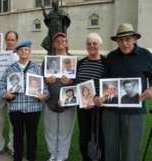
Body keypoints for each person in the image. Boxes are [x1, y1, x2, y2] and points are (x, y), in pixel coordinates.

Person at [94, 23, 152, 161]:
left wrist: (151, 89)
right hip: (111, 111)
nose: (124, 43)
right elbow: (105, 79)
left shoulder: (145, 55)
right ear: (117, 41)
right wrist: (98, 96)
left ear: (134, 39)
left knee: (131, 152)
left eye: (128, 39)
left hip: (134, 112)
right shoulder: (112, 56)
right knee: (110, 150)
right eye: (121, 40)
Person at [0, 40, 49, 161]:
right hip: (16, 108)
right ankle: (18, 158)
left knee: (32, 136)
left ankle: (31, 158)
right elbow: (1, 86)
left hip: (33, 108)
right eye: (21, 50)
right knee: (17, 136)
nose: (23, 51)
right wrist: (5, 94)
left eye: (26, 49)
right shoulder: (11, 68)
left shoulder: (36, 68)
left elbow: (45, 88)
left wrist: (43, 95)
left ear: (30, 52)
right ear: (17, 52)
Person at [42, 32, 76, 161]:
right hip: (50, 101)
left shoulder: (73, 60)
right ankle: (53, 154)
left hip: (68, 102)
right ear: (54, 44)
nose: (60, 42)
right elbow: (40, 79)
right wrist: (46, 80)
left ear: (66, 43)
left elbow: (79, 81)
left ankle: (61, 157)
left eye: (63, 40)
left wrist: (71, 82)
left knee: (65, 131)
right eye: (57, 41)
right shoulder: (48, 60)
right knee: (50, 130)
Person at [75, 33, 106, 161]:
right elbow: (75, 84)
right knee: (84, 138)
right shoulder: (81, 63)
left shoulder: (106, 63)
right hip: (83, 108)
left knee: (101, 138)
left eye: (94, 43)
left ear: (100, 45)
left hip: (100, 109)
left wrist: (101, 98)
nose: (91, 46)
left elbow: (111, 85)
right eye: (89, 44)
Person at [0, 31, 19, 158]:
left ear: (16, 41)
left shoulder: (20, 54)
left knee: (13, 121)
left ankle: (12, 146)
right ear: (5, 41)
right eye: (8, 39)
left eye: (13, 40)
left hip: (14, 91)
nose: (10, 42)